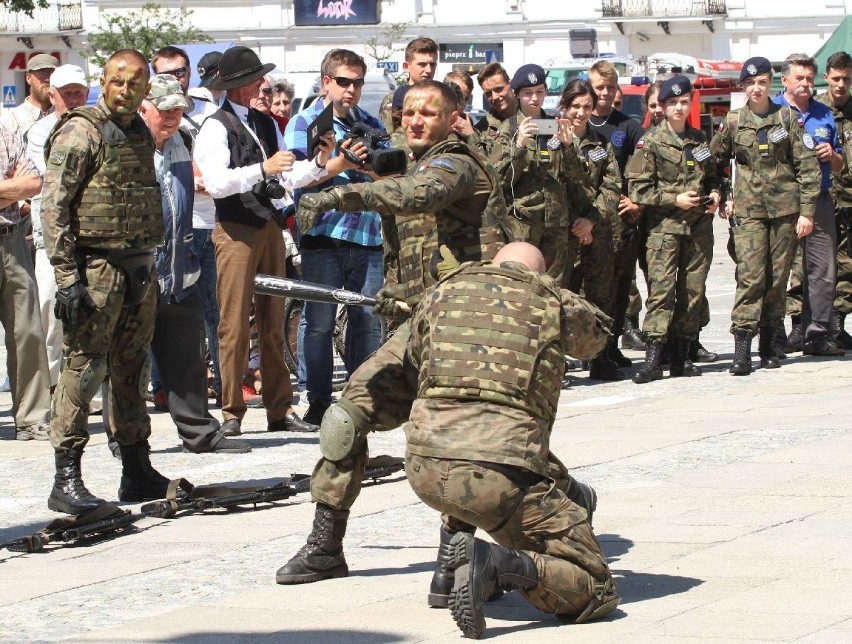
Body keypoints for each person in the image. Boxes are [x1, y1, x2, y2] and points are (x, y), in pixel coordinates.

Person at [275, 79, 509, 587]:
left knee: (448, 442)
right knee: (343, 421)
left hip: (459, 332)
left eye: (429, 113)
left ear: (452, 118)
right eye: (409, 113)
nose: (417, 120)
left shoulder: (456, 164)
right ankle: (325, 546)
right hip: (410, 327)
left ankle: (456, 558)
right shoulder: (408, 162)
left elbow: (413, 196)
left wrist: (338, 195)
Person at [404, 242, 619, 638]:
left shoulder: (441, 291)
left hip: (424, 466)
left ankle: (452, 565)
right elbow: (596, 340)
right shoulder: (552, 299)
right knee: (597, 588)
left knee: (527, 464)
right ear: (542, 270)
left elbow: (415, 357)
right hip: (499, 472)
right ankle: (495, 562)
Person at [41, 49, 174, 514]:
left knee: (132, 370)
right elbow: (54, 207)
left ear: (145, 88)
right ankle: (67, 475)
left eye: (135, 83)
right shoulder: (81, 129)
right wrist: (66, 278)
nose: (125, 90)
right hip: (94, 270)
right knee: (84, 369)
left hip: (137, 267)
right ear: (103, 80)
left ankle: (135, 467)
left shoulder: (138, 129)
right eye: (117, 81)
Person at [194, 46, 325, 437]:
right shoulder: (216, 126)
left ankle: (279, 409)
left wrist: (319, 164)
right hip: (234, 228)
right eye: (257, 81)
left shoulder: (265, 124)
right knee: (232, 322)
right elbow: (216, 183)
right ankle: (232, 411)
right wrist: (260, 169)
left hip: (267, 225)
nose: (264, 86)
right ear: (239, 85)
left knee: (273, 321)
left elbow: (285, 176)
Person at [140, 75, 252, 454]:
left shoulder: (183, 141)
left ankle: (199, 433)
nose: (172, 116)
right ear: (144, 107)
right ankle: (127, 443)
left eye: (178, 109)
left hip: (178, 266)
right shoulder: (127, 146)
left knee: (187, 356)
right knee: (128, 365)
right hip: (138, 271)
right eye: (164, 109)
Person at [284, 49, 383, 427]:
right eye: (344, 81)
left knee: (367, 320)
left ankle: (361, 400)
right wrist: (338, 164)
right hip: (323, 232)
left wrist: (369, 164)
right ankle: (319, 401)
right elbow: (294, 178)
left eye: (358, 82)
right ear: (326, 82)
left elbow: (390, 177)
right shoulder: (305, 122)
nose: (351, 89)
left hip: (368, 233)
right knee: (319, 321)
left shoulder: (371, 123)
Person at [710, 57, 821, 375]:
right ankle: (742, 347)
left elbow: (806, 166)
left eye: (762, 82)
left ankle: (770, 345)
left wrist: (807, 212)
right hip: (749, 214)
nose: (756, 88)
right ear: (743, 86)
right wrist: (724, 194)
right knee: (750, 277)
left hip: (786, 212)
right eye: (750, 83)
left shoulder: (786, 117)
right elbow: (715, 160)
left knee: (776, 280)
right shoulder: (733, 122)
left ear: (771, 83)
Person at [626, 76, 719, 383]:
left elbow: (713, 176)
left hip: (698, 230)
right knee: (662, 294)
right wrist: (673, 199)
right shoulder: (650, 142)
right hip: (663, 230)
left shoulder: (698, 140)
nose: (679, 108)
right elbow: (638, 189)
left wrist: (715, 195)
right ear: (662, 107)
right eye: (672, 103)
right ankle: (653, 359)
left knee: (692, 293)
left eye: (683, 102)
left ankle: (681, 356)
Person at [774, 53, 845, 357]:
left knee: (822, 271)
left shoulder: (825, 114)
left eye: (808, 78)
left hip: (820, 201)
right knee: (775, 270)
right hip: (780, 203)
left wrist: (833, 155)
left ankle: (817, 336)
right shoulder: (771, 111)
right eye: (798, 78)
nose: (804, 84)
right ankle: (773, 336)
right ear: (785, 80)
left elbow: (841, 165)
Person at [25, 65, 89, 391]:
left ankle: (88, 395)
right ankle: (51, 391)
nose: (73, 98)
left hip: (91, 241)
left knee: (90, 321)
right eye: (66, 93)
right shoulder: (40, 133)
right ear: (52, 96)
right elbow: (57, 181)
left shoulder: (99, 129)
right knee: (51, 318)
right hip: (52, 242)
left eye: (79, 91)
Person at [559, 78, 624, 379]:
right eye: (575, 106)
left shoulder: (600, 142)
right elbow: (553, 185)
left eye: (587, 106)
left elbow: (611, 185)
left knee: (601, 294)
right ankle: (558, 360)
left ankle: (600, 356)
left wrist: (591, 221)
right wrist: (576, 223)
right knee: (563, 295)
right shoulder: (552, 142)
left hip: (596, 230)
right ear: (565, 106)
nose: (582, 112)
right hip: (563, 232)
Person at [0, 109, 52, 442]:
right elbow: (21, 186)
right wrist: (10, 186)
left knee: (28, 329)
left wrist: (19, 186)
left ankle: (31, 417)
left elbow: (34, 182)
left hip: (11, 240)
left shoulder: (5, 130)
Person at [815, 52, 852, 349]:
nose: (841, 84)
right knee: (813, 265)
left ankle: (837, 325)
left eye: (847, 79)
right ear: (826, 77)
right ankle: (801, 326)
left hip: (850, 200)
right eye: (836, 78)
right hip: (821, 198)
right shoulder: (815, 111)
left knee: (847, 265)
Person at [378, 37, 438, 131]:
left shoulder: (439, 98)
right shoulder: (393, 99)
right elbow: (386, 134)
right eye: (422, 64)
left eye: (432, 64)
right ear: (406, 66)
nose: (429, 70)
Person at [0, 54, 57, 136]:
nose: (48, 78)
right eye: (42, 72)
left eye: (53, 73)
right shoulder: (10, 121)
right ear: (28, 78)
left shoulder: (66, 117)